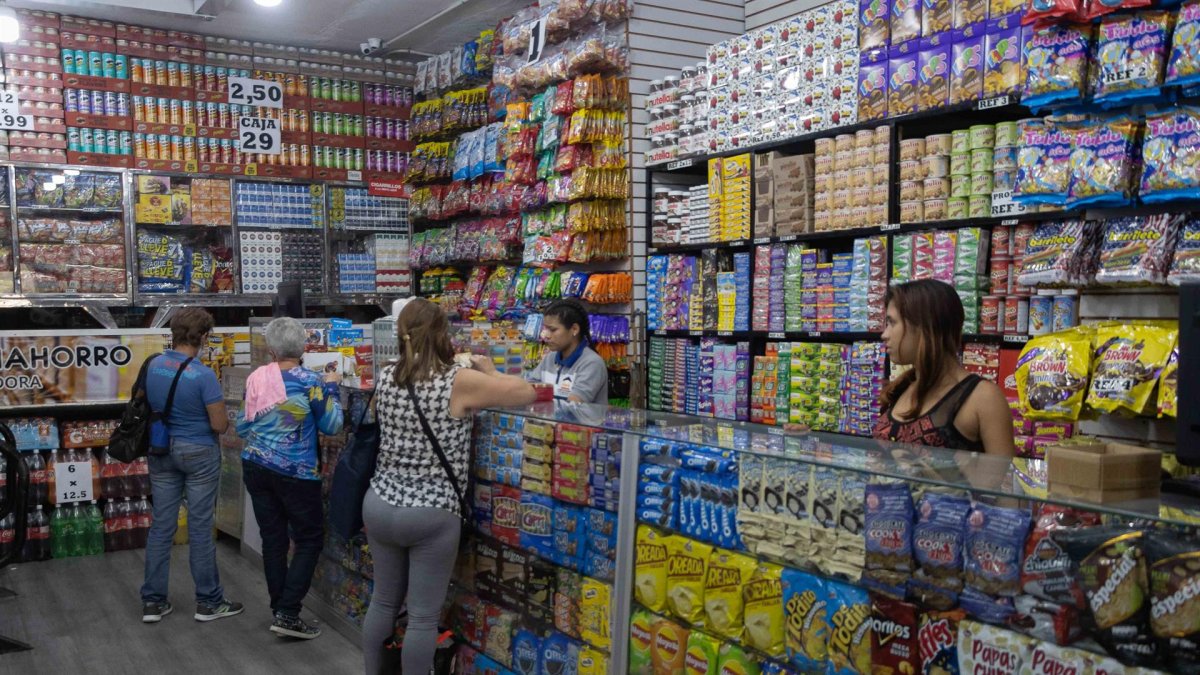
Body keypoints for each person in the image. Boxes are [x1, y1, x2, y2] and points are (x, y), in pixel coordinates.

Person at [363, 298, 537, 675]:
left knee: (383, 601)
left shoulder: (387, 374)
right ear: (444, 334)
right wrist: (489, 370)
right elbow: (525, 392)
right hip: (430, 511)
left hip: (379, 502)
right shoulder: (457, 380)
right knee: (423, 617)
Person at [237, 317, 344, 640]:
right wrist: (333, 387)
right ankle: (288, 612)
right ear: (304, 347)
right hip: (296, 472)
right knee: (308, 539)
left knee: (273, 540)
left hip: (255, 465)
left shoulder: (257, 378)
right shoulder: (311, 381)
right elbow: (333, 425)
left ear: (271, 350)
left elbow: (242, 425)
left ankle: (280, 610)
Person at [140, 308, 243, 623]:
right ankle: (209, 602)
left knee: (162, 526)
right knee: (199, 527)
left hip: (160, 449)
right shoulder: (203, 375)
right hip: (198, 453)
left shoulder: (153, 365)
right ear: (204, 337)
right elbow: (219, 424)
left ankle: (153, 602)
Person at [874, 279, 1016, 456]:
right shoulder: (902, 388)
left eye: (892, 323)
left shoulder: (983, 397)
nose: (884, 334)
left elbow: (1001, 473)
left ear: (924, 326)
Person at [528, 298, 609, 404]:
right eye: (545, 329)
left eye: (552, 330)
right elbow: (530, 388)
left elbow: (574, 405)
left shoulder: (592, 363)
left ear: (574, 329)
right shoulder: (550, 358)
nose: (546, 335)